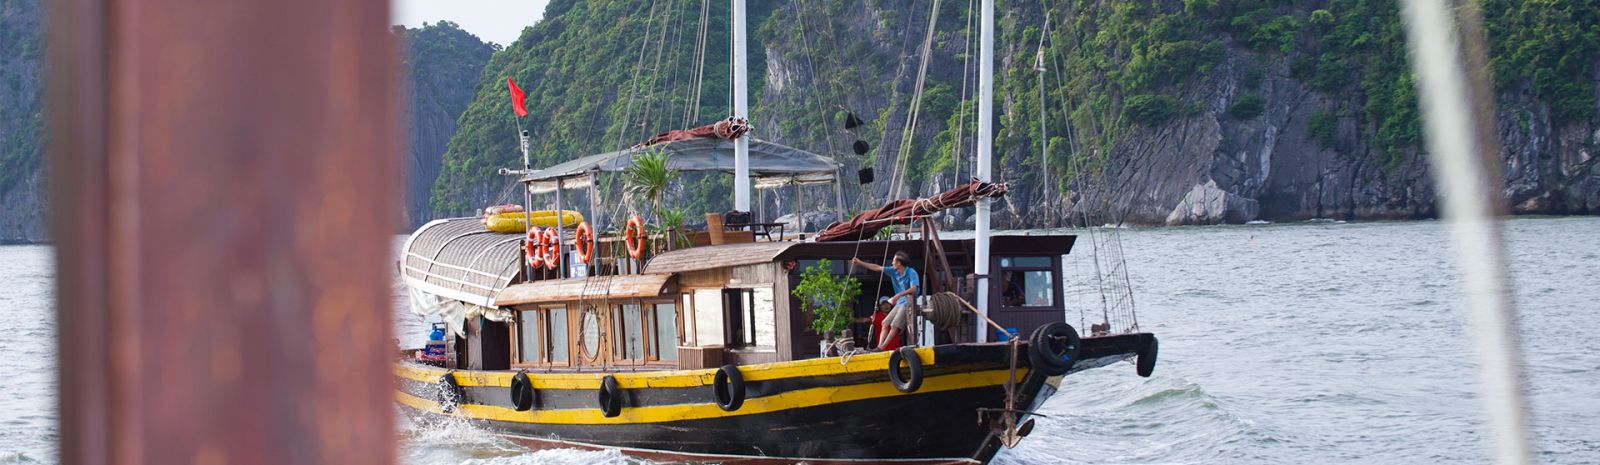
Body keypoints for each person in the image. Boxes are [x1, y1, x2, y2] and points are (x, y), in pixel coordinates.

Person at [851, 251, 919, 351]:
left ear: (899, 263)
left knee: (895, 324)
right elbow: (877, 267)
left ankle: (882, 347)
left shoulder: (911, 272)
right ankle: (879, 347)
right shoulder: (893, 271)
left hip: (908, 302)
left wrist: (899, 294)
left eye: (893, 261)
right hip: (900, 302)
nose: (892, 263)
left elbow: (914, 289)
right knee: (885, 323)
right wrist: (861, 263)